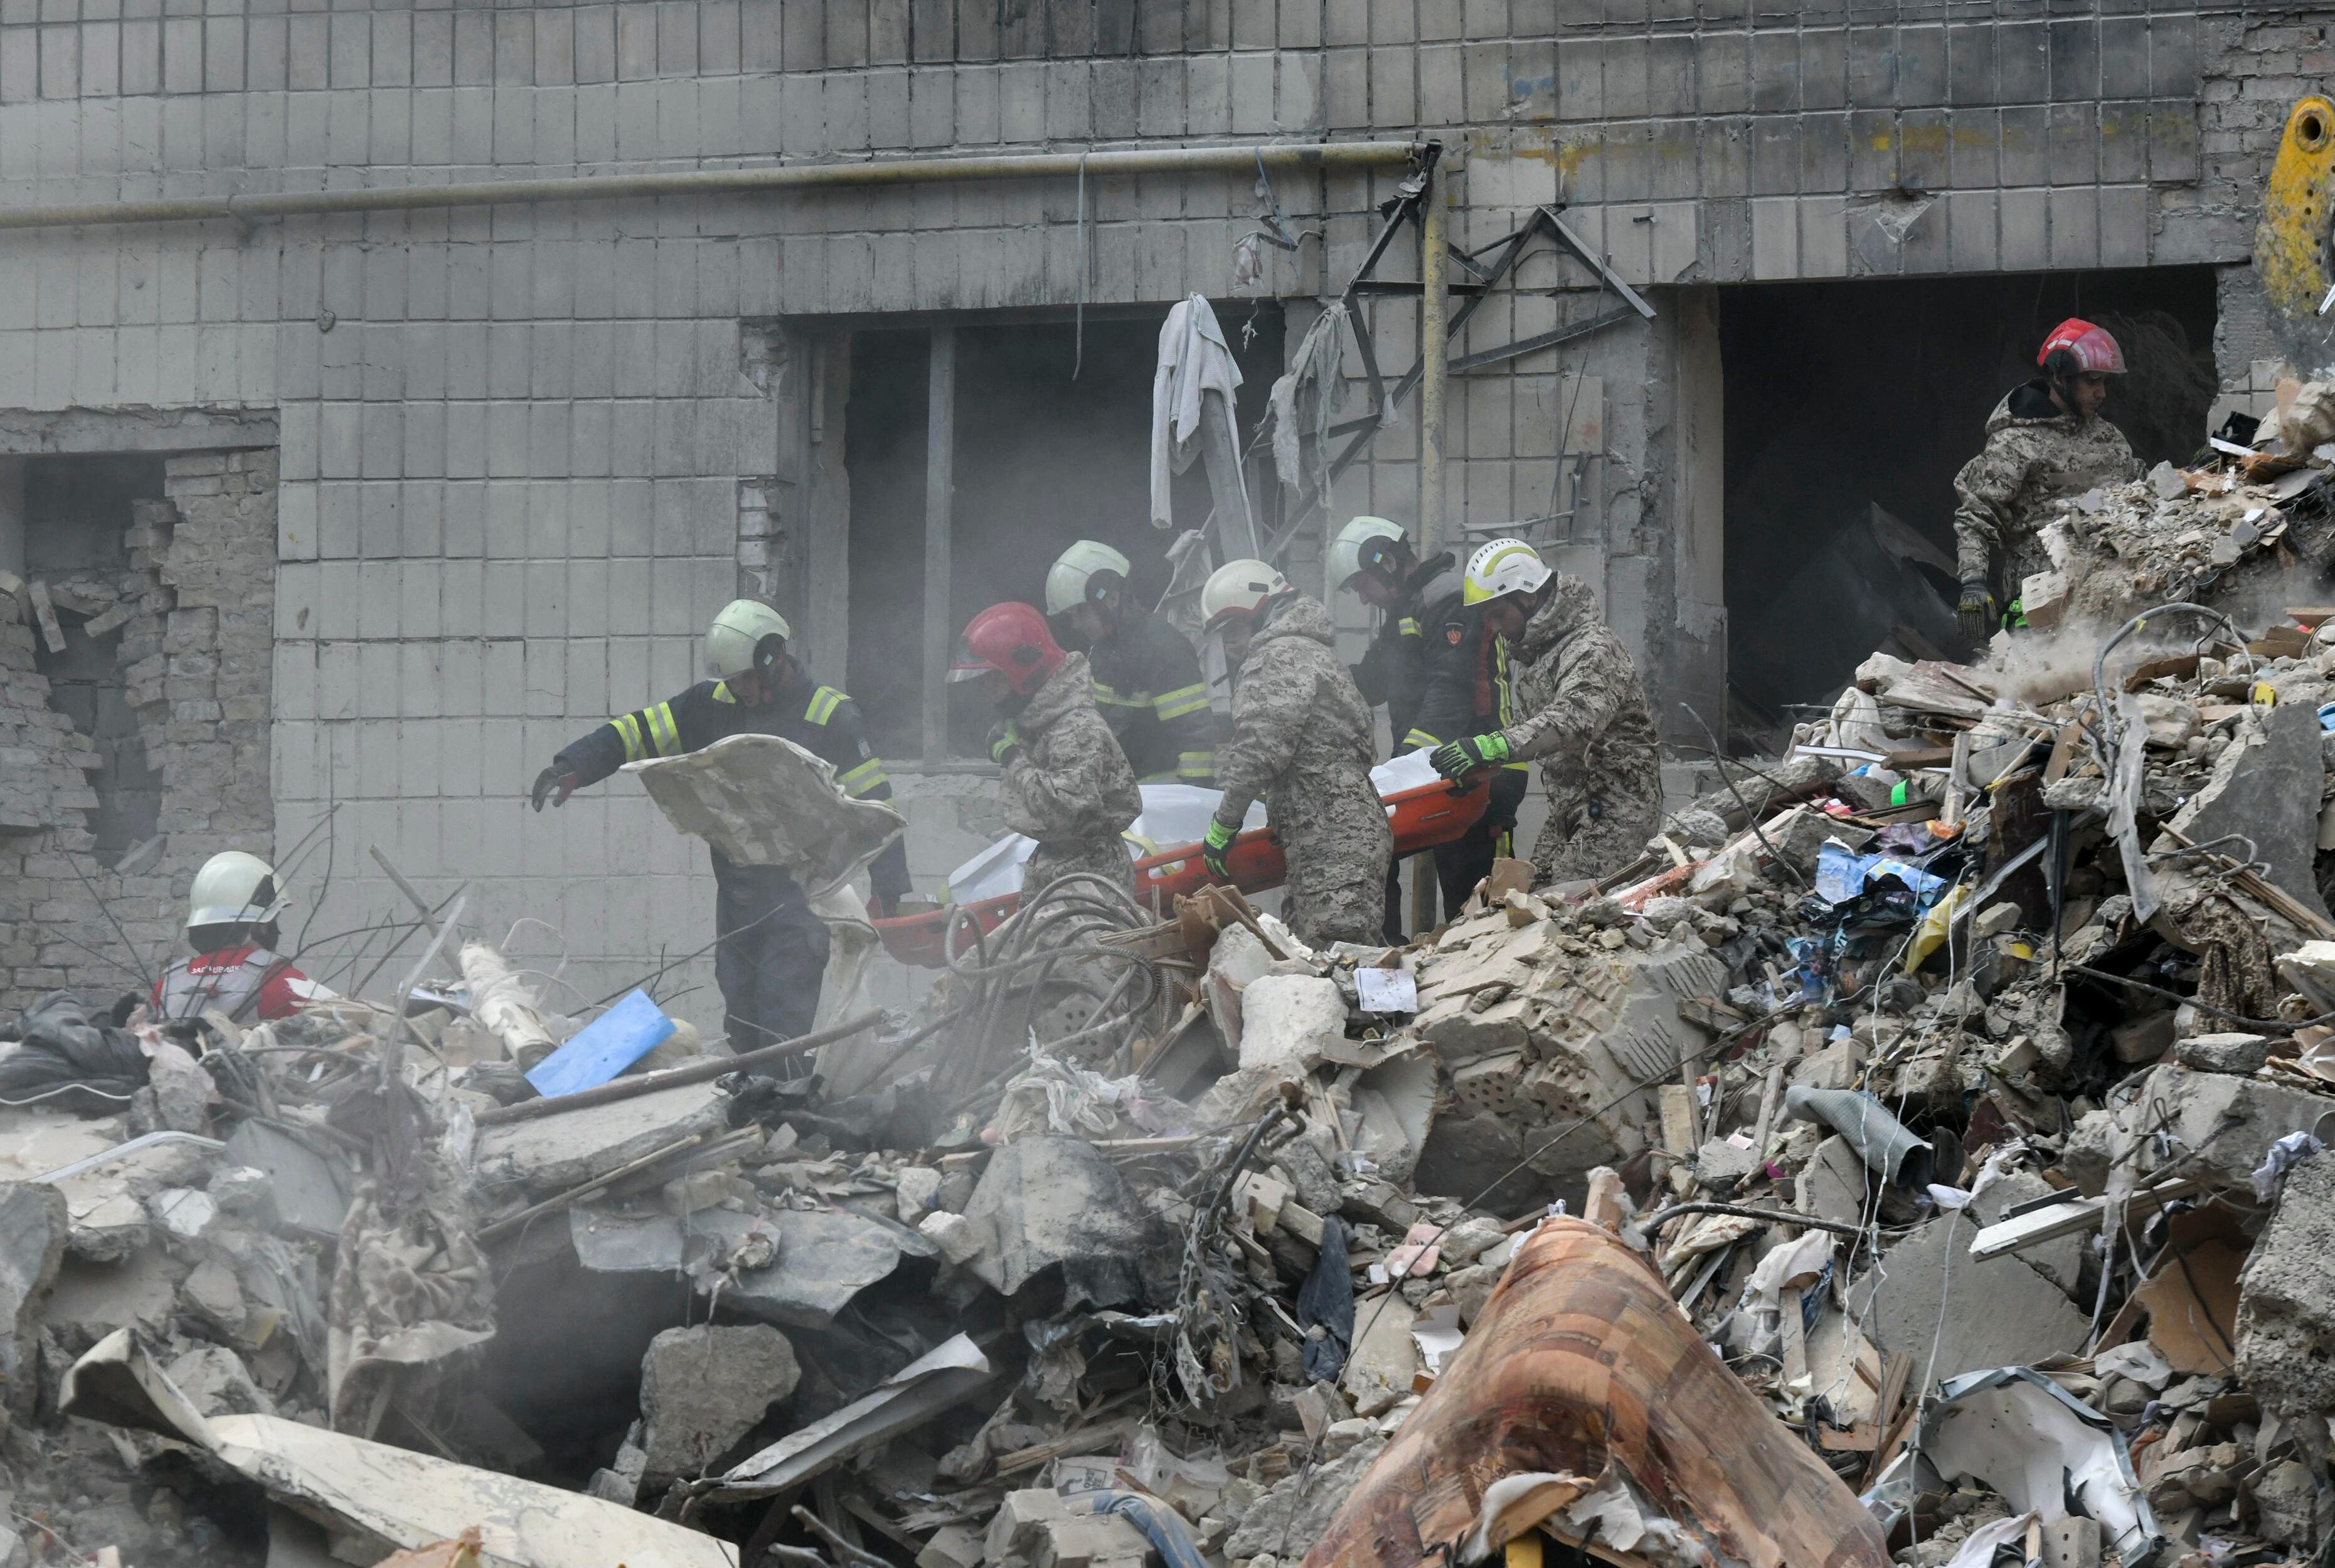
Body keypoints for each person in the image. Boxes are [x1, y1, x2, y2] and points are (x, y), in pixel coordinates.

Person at [529, 599, 911, 1053]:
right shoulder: (711, 704)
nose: (739, 690)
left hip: (801, 899)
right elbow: (637, 731)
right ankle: (756, 1093)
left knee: (781, 1021)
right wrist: (575, 765)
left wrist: (889, 888)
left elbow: (876, 805)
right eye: (731, 681)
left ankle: (777, 1090)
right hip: (737, 895)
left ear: (774, 656)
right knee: (741, 1019)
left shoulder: (831, 715)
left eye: (745, 678)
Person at [1429, 539, 1661, 884]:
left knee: (1567, 905)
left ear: (1527, 597)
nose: (1493, 628)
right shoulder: (1533, 657)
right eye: (1487, 618)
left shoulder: (1593, 647)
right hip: (1570, 808)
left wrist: (1491, 746)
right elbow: (1527, 730)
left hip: (1616, 811)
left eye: (1497, 615)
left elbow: (1575, 721)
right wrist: (1478, 770)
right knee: (1528, 896)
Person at [1198, 560, 1392, 950]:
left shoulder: (1278, 657)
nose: (1230, 646)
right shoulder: (1309, 651)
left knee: (1340, 958)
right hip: (1330, 833)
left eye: (1233, 629)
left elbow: (1259, 750)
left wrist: (1225, 823)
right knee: (1325, 957)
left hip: (1331, 837)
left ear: (1260, 614)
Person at [1954, 317, 2142, 642]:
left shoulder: (2109, 439)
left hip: (2106, 599)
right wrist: (1973, 582)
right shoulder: (2015, 442)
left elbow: (2140, 493)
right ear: (2059, 376)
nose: (2101, 393)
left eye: (2104, 382)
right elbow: (1977, 516)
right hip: (2039, 604)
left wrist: (2192, 474)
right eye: (2092, 381)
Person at [1331, 516, 1464, 941]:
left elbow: (1452, 691)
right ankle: (1387, 956)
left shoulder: (1447, 598)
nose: (1363, 600)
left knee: (1475, 902)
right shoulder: (1405, 609)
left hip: (1473, 772)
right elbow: (1372, 681)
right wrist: (1316, 680)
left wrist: (1405, 764)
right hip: (1429, 770)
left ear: (1386, 562)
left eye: (1361, 585)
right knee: (1375, 847)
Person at [952, 601, 1143, 895]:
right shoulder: (1043, 723)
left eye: (990, 679)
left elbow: (1064, 812)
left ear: (1020, 671)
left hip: (1089, 876)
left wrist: (1013, 758)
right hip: (1060, 867)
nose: (984, 691)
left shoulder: (1077, 730)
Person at [1409, 541, 1530, 916]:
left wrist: (1409, 758)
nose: (1492, 626)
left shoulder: (1455, 613)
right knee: (1461, 898)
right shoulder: (1502, 631)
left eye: (1497, 615)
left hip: (1496, 773)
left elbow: (1455, 691)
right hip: (1466, 769)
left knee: (1494, 901)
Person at [1043, 539, 1216, 785]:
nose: (1076, 625)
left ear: (1111, 599)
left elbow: (1194, 734)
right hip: (1122, 790)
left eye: (1081, 612)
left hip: (1160, 792)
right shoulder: (1104, 649)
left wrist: (1192, 796)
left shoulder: (1163, 647)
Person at [154, 850, 334, 1020]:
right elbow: (335, 1027)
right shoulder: (285, 982)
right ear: (261, 926)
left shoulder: (167, 986)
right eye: (273, 920)